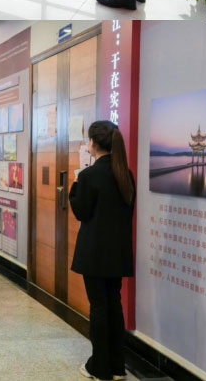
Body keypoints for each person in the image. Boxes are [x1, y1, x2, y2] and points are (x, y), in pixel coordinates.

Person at [69, 120, 135, 381]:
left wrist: (76, 183)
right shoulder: (125, 174)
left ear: (93, 143)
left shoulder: (89, 175)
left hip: (95, 253)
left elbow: (82, 212)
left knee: (98, 306)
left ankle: (99, 367)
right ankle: (117, 366)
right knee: (113, 304)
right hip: (118, 252)